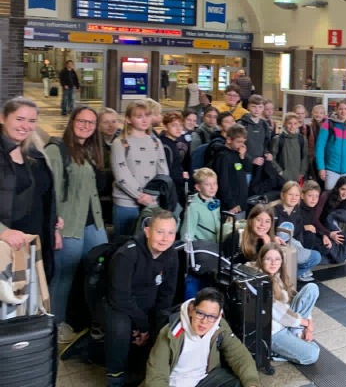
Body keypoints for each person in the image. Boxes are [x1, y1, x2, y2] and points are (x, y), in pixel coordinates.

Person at [45, 106, 108, 344]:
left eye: (91, 123)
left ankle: (89, 320)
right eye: (81, 121)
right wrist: (55, 228)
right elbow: (51, 193)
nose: (86, 126)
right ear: (71, 122)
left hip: (94, 222)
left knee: (98, 270)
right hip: (68, 224)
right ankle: (55, 324)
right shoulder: (57, 150)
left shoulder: (90, 150)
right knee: (64, 277)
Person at [106, 209, 179, 387]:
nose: (165, 238)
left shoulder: (171, 254)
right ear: (147, 231)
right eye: (159, 232)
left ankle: (152, 373)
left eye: (170, 233)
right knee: (121, 328)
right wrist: (144, 326)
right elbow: (120, 298)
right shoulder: (127, 255)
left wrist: (156, 322)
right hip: (118, 305)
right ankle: (116, 379)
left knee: (166, 323)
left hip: (147, 305)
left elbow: (167, 293)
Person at [143, 287, 260, 387]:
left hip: (204, 379)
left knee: (238, 383)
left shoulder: (220, 326)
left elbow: (239, 356)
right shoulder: (171, 332)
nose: (204, 321)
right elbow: (156, 375)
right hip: (174, 383)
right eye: (200, 313)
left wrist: (252, 383)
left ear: (219, 316)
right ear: (191, 310)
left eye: (211, 317)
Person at [0, 97, 58, 283]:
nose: (25, 125)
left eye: (31, 121)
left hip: (34, 245)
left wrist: (54, 222)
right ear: (2, 118)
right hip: (6, 247)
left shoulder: (35, 155)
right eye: (19, 119)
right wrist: (3, 231)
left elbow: (42, 196)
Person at [111, 100, 170, 237]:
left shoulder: (156, 142)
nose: (144, 120)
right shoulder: (120, 143)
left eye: (147, 116)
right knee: (125, 242)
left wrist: (152, 194)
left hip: (152, 201)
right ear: (128, 119)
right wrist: (140, 196)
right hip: (126, 202)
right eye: (139, 116)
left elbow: (163, 172)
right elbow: (121, 174)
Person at [255, 243, 320, 365]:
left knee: (312, 288)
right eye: (268, 259)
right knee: (312, 354)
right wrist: (305, 323)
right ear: (261, 260)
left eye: (277, 259)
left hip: (287, 322)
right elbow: (278, 313)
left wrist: (307, 324)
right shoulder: (262, 282)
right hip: (273, 332)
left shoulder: (278, 276)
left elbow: (294, 297)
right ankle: (272, 352)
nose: (273, 263)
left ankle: (296, 332)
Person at [273, 181, 323, 281]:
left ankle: (290, 275)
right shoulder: (274, 211)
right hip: (275, 246)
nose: (293, 197)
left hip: (291, 244)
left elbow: (298, 234)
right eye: (290, 194)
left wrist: (300, 249)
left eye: (296, 195)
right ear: (282, 195)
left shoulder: (297, 212)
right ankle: (285, 275)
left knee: (316, 256)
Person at [316, 100, 346, 191]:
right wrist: (321, 168)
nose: (343, 111)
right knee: (329, 196)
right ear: (336, 109)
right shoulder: (328, 124)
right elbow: (319, 148)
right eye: (340, 109)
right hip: (330, 169)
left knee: (345, 198)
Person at [211, 124, 249, 214]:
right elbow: (223, 182)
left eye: (243, 142)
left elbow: (248, 169)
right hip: (230, 205)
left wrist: (242, 156)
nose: (242, 145)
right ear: (228, 140)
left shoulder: (238, 153)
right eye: (239, 142)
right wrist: (231, 203)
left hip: (241, 201)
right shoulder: (222, 156)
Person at [181, 168, 221, 242]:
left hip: (217, 247)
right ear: (198, 187)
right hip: (202, 250)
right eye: (207, 184)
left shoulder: (215, 202)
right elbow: (187, 235)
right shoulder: (193, 207)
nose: (212, 187)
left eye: (215, 183)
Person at [241, 95, 273, 183]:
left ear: (263, 108)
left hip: (260, 165)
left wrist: (267, 153)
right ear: (248, 107)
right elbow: (238, 146)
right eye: (253, 106)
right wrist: (251, 159)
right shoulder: (242, 124)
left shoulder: (264, 125)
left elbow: (266, 144)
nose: (257, 109)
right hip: (246, 166)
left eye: (260, 107)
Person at [271, 112, 308, 183]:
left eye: (295, 123)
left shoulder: (302, 139)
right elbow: (272, 158)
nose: (292, 126)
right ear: (284, 124)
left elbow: (305, 157)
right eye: (289, 123)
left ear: (298, 124)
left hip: (298, 177)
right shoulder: (278, 139)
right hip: (282, 177)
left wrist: (302, 173)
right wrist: (280, 172)